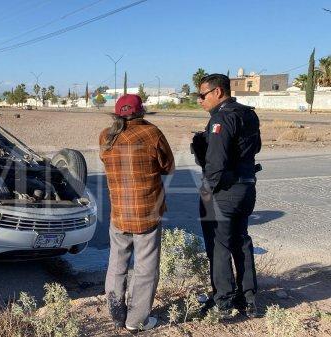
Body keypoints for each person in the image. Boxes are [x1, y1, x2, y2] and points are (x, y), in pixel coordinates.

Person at [99, 94, 175, 332]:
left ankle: (116, 313)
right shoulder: (152, 133)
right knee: (146, 267)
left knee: (117, 263)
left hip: (119, 213)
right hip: (147, 213)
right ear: (141, 111)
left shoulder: (106, 136)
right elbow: (168, 166)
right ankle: (137, 320)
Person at [192, 74, 261, 318]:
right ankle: (249, 298)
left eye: (202, 95)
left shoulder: (220, 118)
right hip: (247, 187)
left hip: (225, 191)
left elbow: (216, 164)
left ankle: (222, 300)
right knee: (241, 240)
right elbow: (255, 148)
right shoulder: (248, 113)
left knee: (219, 245)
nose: (199, 100)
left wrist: (207, 190)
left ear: (218, 92)